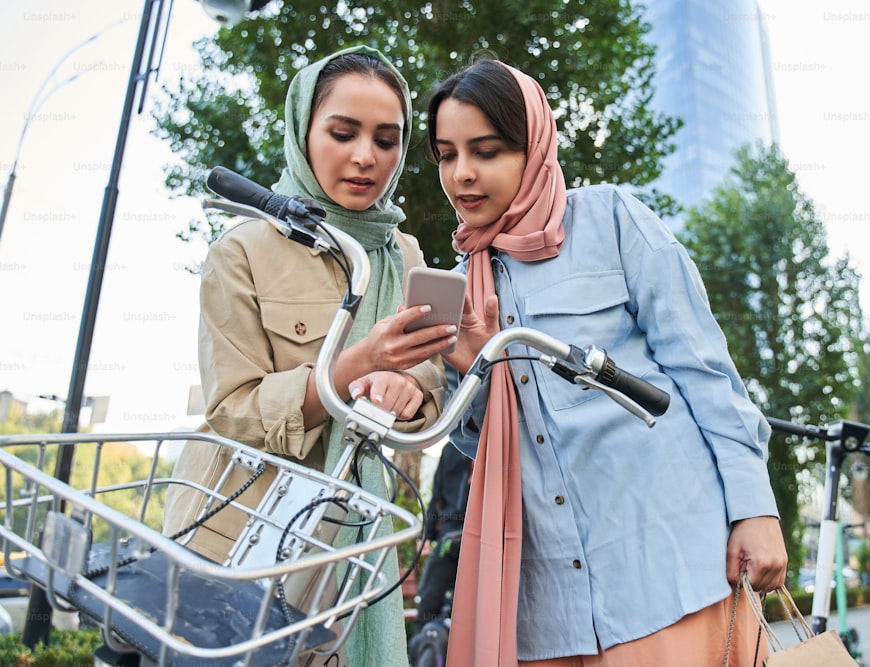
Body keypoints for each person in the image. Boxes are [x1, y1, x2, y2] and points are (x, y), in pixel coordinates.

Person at [427, 57, 788, 666]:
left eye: (485, 151)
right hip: (547, 604)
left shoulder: (611, 220)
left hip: (666, 568)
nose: (462, 174)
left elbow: (703, 368)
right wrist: (469, 369)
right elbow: (478, 446)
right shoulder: (460, 288)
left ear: (532, 144)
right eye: (445, 154)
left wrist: (755, 508)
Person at [163, 46, 455, 667]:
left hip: (346, 554)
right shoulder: (242, 248)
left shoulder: (403, 255)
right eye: (342, 132)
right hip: (232, 540)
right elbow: (233, 411)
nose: (365, 157)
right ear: (303, 130)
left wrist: (409, 397)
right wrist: (351, 370)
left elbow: (422, 392)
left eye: (386, 139)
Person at [413, 441, 473, 630]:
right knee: (430, 595)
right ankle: (424, 648)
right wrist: (427, 535)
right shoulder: (451, 448)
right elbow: (437, 495)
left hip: (479, 535)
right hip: (449, 533)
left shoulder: (494, 442)